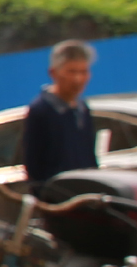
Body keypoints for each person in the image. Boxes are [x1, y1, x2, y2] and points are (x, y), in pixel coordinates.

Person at [24, 39, 98, 188]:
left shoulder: (82, 108)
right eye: (71, 72)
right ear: (53, 73)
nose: (78, 79)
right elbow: (34, 166)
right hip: (58, 199)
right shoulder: (41, 110)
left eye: (83, 72)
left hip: (87, 196)